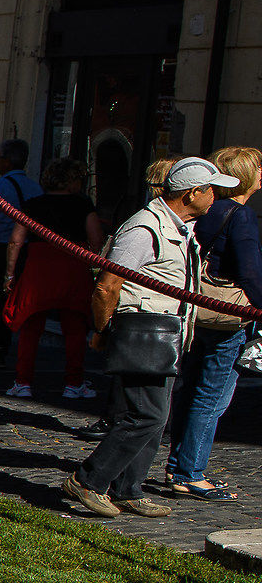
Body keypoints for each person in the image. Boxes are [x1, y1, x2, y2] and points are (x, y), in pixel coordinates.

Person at [66, 157, 236, 518]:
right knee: (145, 415)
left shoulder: (180, 227)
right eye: (212, 190)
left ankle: (128, 489)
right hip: (143, 334)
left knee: (154, 417)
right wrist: (102, 331)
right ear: (193, 193)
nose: (216, 197)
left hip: (164, 336)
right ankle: (88, 480)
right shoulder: (145, 228)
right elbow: (107, 285)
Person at [160, 146, 261, 500]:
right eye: (259, 168)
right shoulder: (241, 215)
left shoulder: (204, 208)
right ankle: (190, 473)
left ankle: (179, 465)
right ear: (248, 177)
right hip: (227, 317)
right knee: (212, 396)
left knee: (190, 390)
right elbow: (250, 273)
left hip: (197, 310)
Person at [1, 159, 103, 400]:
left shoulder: (34, 204)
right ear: (73, 180)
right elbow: (96, 239)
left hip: (39, 265)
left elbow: (16, 240)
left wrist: (10, 273)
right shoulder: (83, 204)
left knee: (31, 324)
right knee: (75, 325)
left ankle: (22, 381)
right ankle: (73, 383)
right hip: (73, 263)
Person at [0, 139, 42, 357]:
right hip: (28, 249)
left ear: (7, 161)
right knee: (9, 297)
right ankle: (2, 339)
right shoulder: (37, 189)